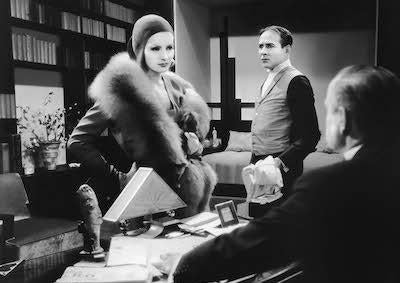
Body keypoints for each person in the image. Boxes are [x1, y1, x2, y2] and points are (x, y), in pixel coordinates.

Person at [167, 65, 400, 283]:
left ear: (343, 118)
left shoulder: (330, 184)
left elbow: (264, 242)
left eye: (329, 110)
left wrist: (184, 264)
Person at [68, 14, 215, 214]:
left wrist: (194, 144)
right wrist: (116, 177)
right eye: (155, 48)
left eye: (169, 47)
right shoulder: (121, 92)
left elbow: (182, 139)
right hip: (146, 194)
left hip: (185, 190)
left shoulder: (177, 86)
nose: (165, 56)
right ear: (138, 50)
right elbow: (77, 142)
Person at [251, 25, 320, 194]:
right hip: (260, 162)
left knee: (278, 218)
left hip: (281, 165)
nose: (263, 51)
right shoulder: (269, 77)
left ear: (287, 49)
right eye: (260, 46)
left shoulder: (297, 81)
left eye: (269, 46)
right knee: (259, 216)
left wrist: (278, 163)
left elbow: (311, 136)